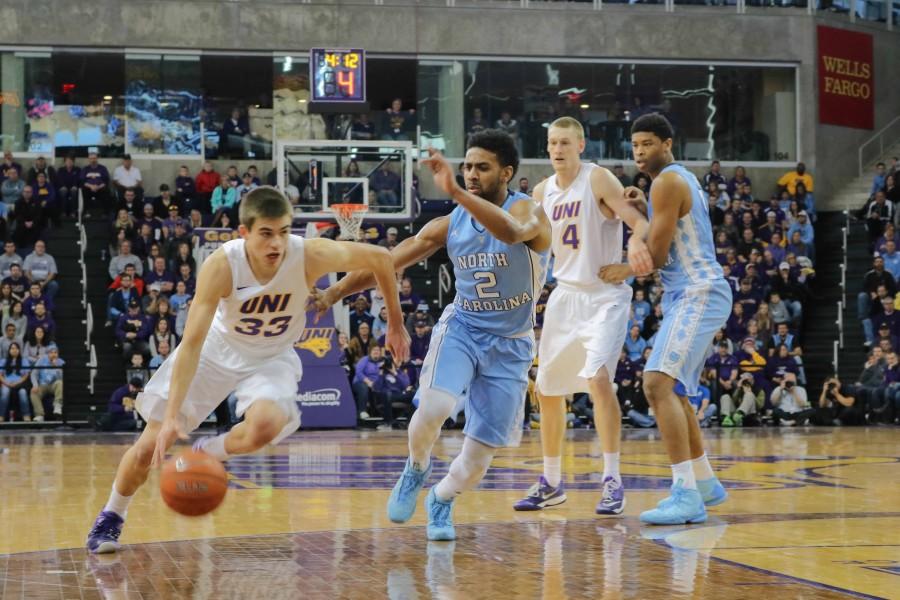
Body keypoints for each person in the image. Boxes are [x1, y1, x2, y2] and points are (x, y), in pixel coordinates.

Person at [86, 186, 409, 554]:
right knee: (148, 445)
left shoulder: (310, 254)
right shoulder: (222, 265)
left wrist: (395, 324)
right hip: (216, 352)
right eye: (267, 234)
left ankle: (209, 451)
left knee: (265, 426)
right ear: (244, 233)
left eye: (284, 232)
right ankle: (112, 514)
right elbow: (191, 343)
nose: (277, 244)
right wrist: (173, 416)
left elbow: (383, 258)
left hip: (270, 356)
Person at [316, 130, 551, 541]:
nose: (472, 174)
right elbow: (388, 261)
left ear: (507, 173)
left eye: (483, 167)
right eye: (467, 167)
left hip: (512, 344)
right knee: (434, 405)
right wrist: (335, 291)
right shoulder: (448, 224)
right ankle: (417, 467)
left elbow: (513, 233)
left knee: (477, 461)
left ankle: (441, 499)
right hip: (463, 327)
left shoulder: (531, 213)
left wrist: (458, 193)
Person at [511, 116, 651, 515]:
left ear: (581, 145)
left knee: (598, 379)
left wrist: (631, 258)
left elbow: (638, 221)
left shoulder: (598, 179)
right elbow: (531, 244)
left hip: (605, 295)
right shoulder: (541, 192)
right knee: (547, 389)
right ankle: (552, 482)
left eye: (565, 143)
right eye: (552, 143)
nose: (557, 150)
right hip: (565, 296)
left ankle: (612, 480)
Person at [608, 114, 729, 526]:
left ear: (668, 143)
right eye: (635, 145)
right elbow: (672, 229)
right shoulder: (671, 183)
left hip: (698, 291)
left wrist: (623, 262)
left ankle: (685, 496)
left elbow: (655, 258)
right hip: (688, 294)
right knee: (672, 390)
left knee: (656, 384)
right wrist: (644, 212)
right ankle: (704, 482)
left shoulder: (668, 182)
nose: (639, 152)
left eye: (647, 144)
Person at [30, 343, 64, 421]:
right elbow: (34, 373)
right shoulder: (42, 360)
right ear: (48, 353)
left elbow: (62, 378)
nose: (53, 354)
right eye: (51, 352)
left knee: (60, 383)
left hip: (54, 385)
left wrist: (57, 367)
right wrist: (35, 385)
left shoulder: (61, 362)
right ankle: (39, 415)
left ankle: (58, 406)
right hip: (42, 385)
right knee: (33, 392)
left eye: (55, 352)